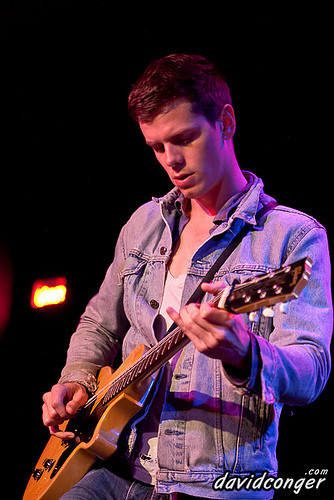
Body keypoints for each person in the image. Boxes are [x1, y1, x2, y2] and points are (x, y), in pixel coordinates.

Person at [41, 54, 332, 499]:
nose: (171, 161)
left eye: (184, 138)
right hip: (113, 466)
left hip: (211, 485)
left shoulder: (291, 237)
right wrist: (76, 379)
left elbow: (311, 371)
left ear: (226, 123)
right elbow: (99, 323)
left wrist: (245, 353)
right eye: (156, 147)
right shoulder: (144, 223)